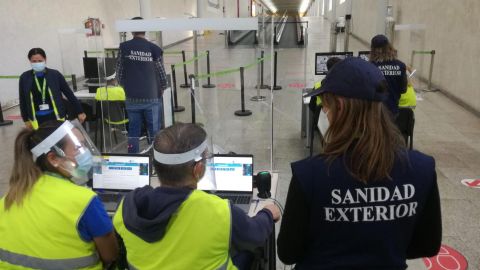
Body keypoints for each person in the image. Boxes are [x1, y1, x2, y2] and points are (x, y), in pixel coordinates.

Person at [277, 58, 441, 269]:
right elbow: (428, 245)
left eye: (326, 106)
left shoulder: (309, 175)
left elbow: (288, 253)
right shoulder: (422, 169)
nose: (325, 112)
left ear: (341, 106)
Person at [113, 123, 281, 270]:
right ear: (198, 170)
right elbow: (256, 234)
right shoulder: (219, 211)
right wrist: (267, 214)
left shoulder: (127, 208)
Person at [0, 120, 118, 269]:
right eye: (77, 148)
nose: (85, 153)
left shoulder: (8, 199)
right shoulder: (84, 200)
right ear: (53, 159)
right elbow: (110, 255)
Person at [116, 16, 168, 153]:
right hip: (151, 97)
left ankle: (133, 156)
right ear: (145, 30)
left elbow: (119, 74)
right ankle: (156, 157)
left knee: (133, 130)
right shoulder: (154, 49)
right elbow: (161, 72)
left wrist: (126, 87)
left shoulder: (124, 48)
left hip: (132, 98)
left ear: (132, 31)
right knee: (154, 131)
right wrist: (163, 87)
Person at [19, 48, 86, 130]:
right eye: (34, 61)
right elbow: (22, 100)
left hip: (56, 116)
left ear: (45, 59)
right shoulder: (25, 77)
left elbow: (69, 93)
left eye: (40, 61)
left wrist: (80, 111)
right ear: (30, 61)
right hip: (36, 120)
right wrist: (25, 119)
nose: (37, 63)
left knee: (59, 141)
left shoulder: (55, 75)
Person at [369, 34, 408, 116]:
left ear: (373, 50)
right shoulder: (400, 65)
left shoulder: (370, 67)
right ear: (389, 47)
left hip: (375, 111)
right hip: (393, 110)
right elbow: (403, 90)